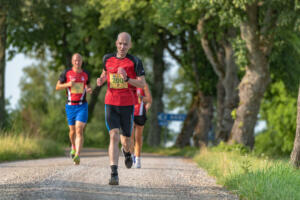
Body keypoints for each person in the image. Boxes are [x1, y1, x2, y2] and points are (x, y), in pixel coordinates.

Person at [97, 32, 146, 185]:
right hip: (111, 103)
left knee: (127, 140)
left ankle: (127, 152)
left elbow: (142, 84)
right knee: (113, 135)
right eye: (120, 43)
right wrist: (101, 80)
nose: (122, 46)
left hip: (127, 105)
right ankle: (114, 173)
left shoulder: (135, 62)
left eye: (126, 44)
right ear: (116, 43)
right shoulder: (107, 59)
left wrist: (127, 79)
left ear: (130, 45)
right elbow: (105, 74)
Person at [56, 53, 92, 165]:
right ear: (72, 61)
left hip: (82, 105)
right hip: (70, 106)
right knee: (72, 132)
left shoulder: (86, 74)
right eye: (75, 60)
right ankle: (73, 146)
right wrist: (68, 84)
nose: (77, 62)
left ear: (82, 61)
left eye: (79, 60)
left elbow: (88, 86)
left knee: (79, 129)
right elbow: (57, 87)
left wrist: (89, 89)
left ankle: (77, 155)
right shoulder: (66, 73)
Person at [130, 83, 152, 168]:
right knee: (130, 138)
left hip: (140, 114)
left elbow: (149, 100)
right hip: (130, 113)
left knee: (138, 138)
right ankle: (131, 157)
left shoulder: (144, 85)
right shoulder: (127, 82)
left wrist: (141, 98)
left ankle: (138, 159)